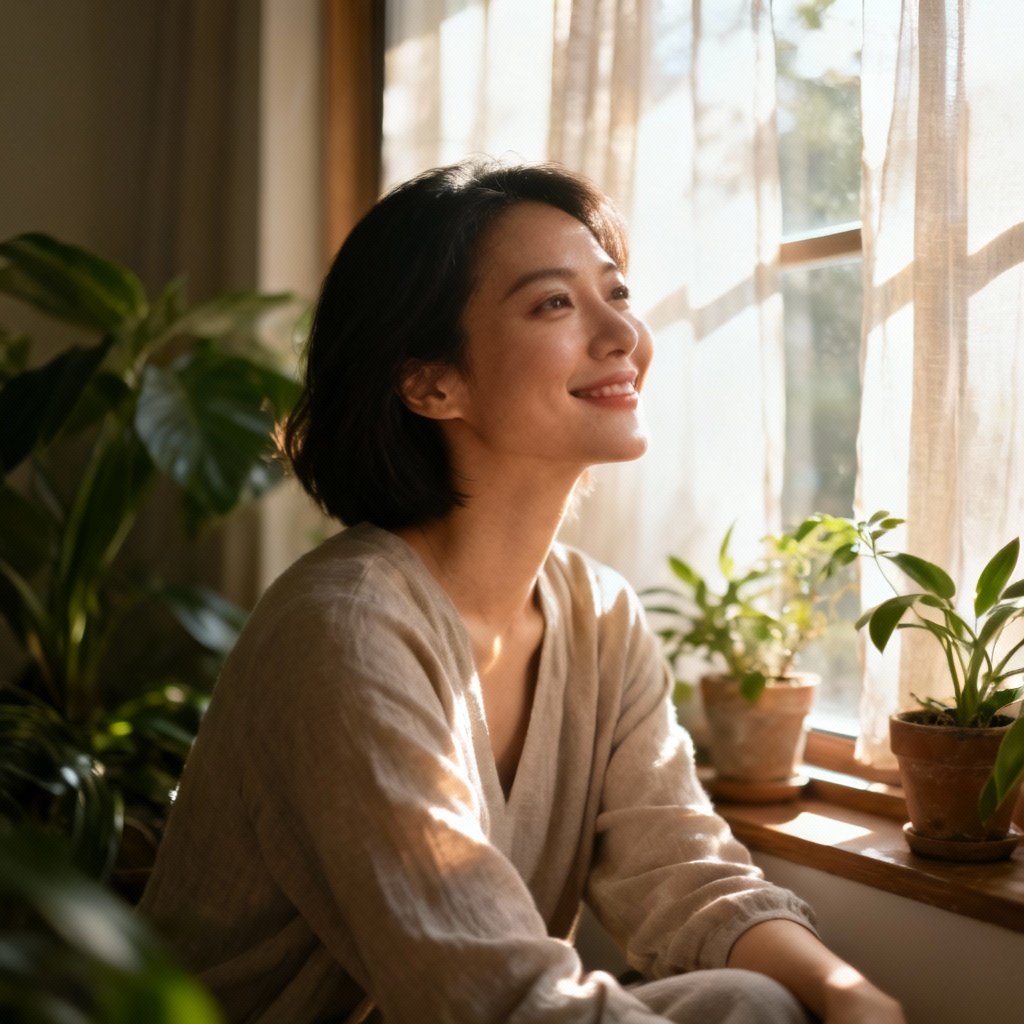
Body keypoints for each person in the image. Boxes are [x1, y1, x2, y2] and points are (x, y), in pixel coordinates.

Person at [139, 160, 906, 1024]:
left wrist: (851, 995)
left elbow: (679, 871)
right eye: (554, 303)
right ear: (432, 383)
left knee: (753, 998)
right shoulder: (346, 632)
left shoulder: (600, 614)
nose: (621, 333)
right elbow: (490, 995)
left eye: (616, 293)